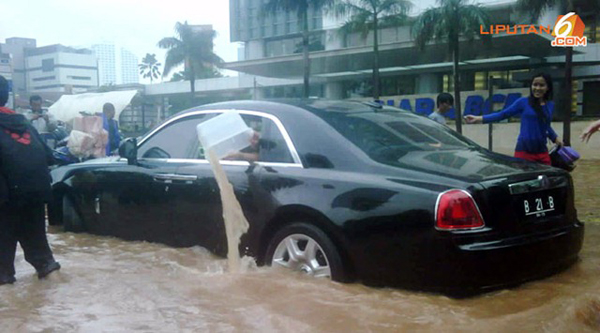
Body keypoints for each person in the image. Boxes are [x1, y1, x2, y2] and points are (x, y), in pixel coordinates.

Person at [0, 75, 60, 285]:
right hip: (36, 193)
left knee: (2, 270)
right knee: (43, 259)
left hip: (6, 200)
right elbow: (49, 156)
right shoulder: (23, 121)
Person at [464, 72, 563, 165]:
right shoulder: (523, 102)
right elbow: (503, 114)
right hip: (524, 151)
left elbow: (545, 126)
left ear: (548, 88)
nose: (537, 88)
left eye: (541, 85)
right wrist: (479, 118)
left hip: (542, 151)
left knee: (546, 180)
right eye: (535, 84)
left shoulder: (550, 105)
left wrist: (555, 138)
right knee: (524, 181)